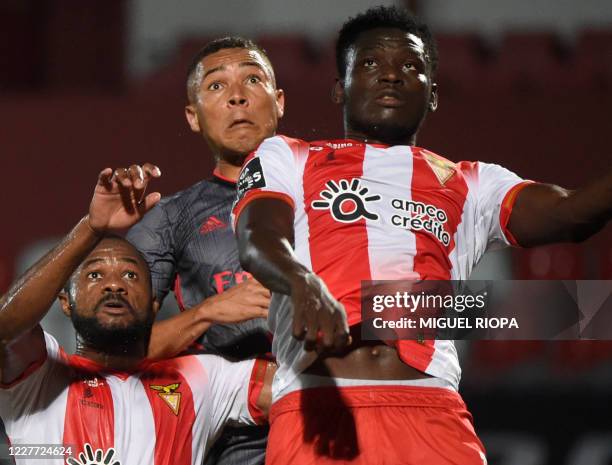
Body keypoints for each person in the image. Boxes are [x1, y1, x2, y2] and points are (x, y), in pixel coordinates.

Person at [232, 6, 612, 465]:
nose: (391, 75)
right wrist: (301, 282)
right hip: (319, 408)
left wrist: (405, 307)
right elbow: (257, 238)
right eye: (370, 63)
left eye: (410, 66)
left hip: (432, 414)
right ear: (340, 87)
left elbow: (572, 214)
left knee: (577, 308)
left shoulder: (472, 183)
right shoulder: (288, 157)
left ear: (432, 95)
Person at [0, 165, 275, 465]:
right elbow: (6, 328)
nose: (115, 284)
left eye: (131, 275)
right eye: (94, 275)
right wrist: (92, 227)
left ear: (153, 304)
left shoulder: (205, 378)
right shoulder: (41, 379)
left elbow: (308, 387)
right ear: (66, 302)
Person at [126, 37, 284, 465]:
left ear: (279, 101)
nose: (237, 96)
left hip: (339, 416)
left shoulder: (338, 199)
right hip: (239, 440)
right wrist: (206, 312)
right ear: (193, 117)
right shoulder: (169, 219)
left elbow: (409, 310)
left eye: (253, 79)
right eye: (216, 86)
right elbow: (119, 350)